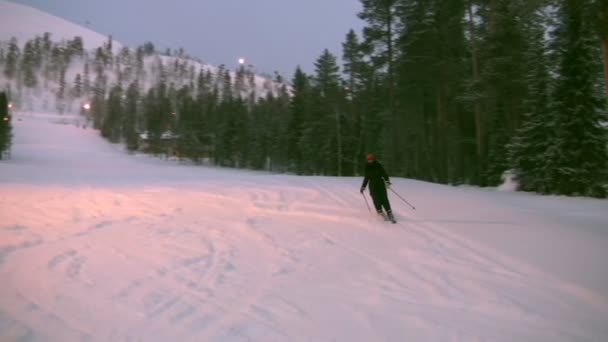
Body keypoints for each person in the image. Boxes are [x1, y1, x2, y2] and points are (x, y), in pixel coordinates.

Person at [360, 153, 395, 222]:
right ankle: (380, 211)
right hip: (372, 185)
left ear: (374, 159)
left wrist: (387, 181)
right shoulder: (367, 167)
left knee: (384, 198)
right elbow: (366, 178)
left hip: (380, 184)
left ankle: (389, 212)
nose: (369, 160)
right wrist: (363, 187)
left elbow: (384, 174)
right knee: (375, 198)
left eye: (371, 159)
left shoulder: (378, 165)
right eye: (368, 159)